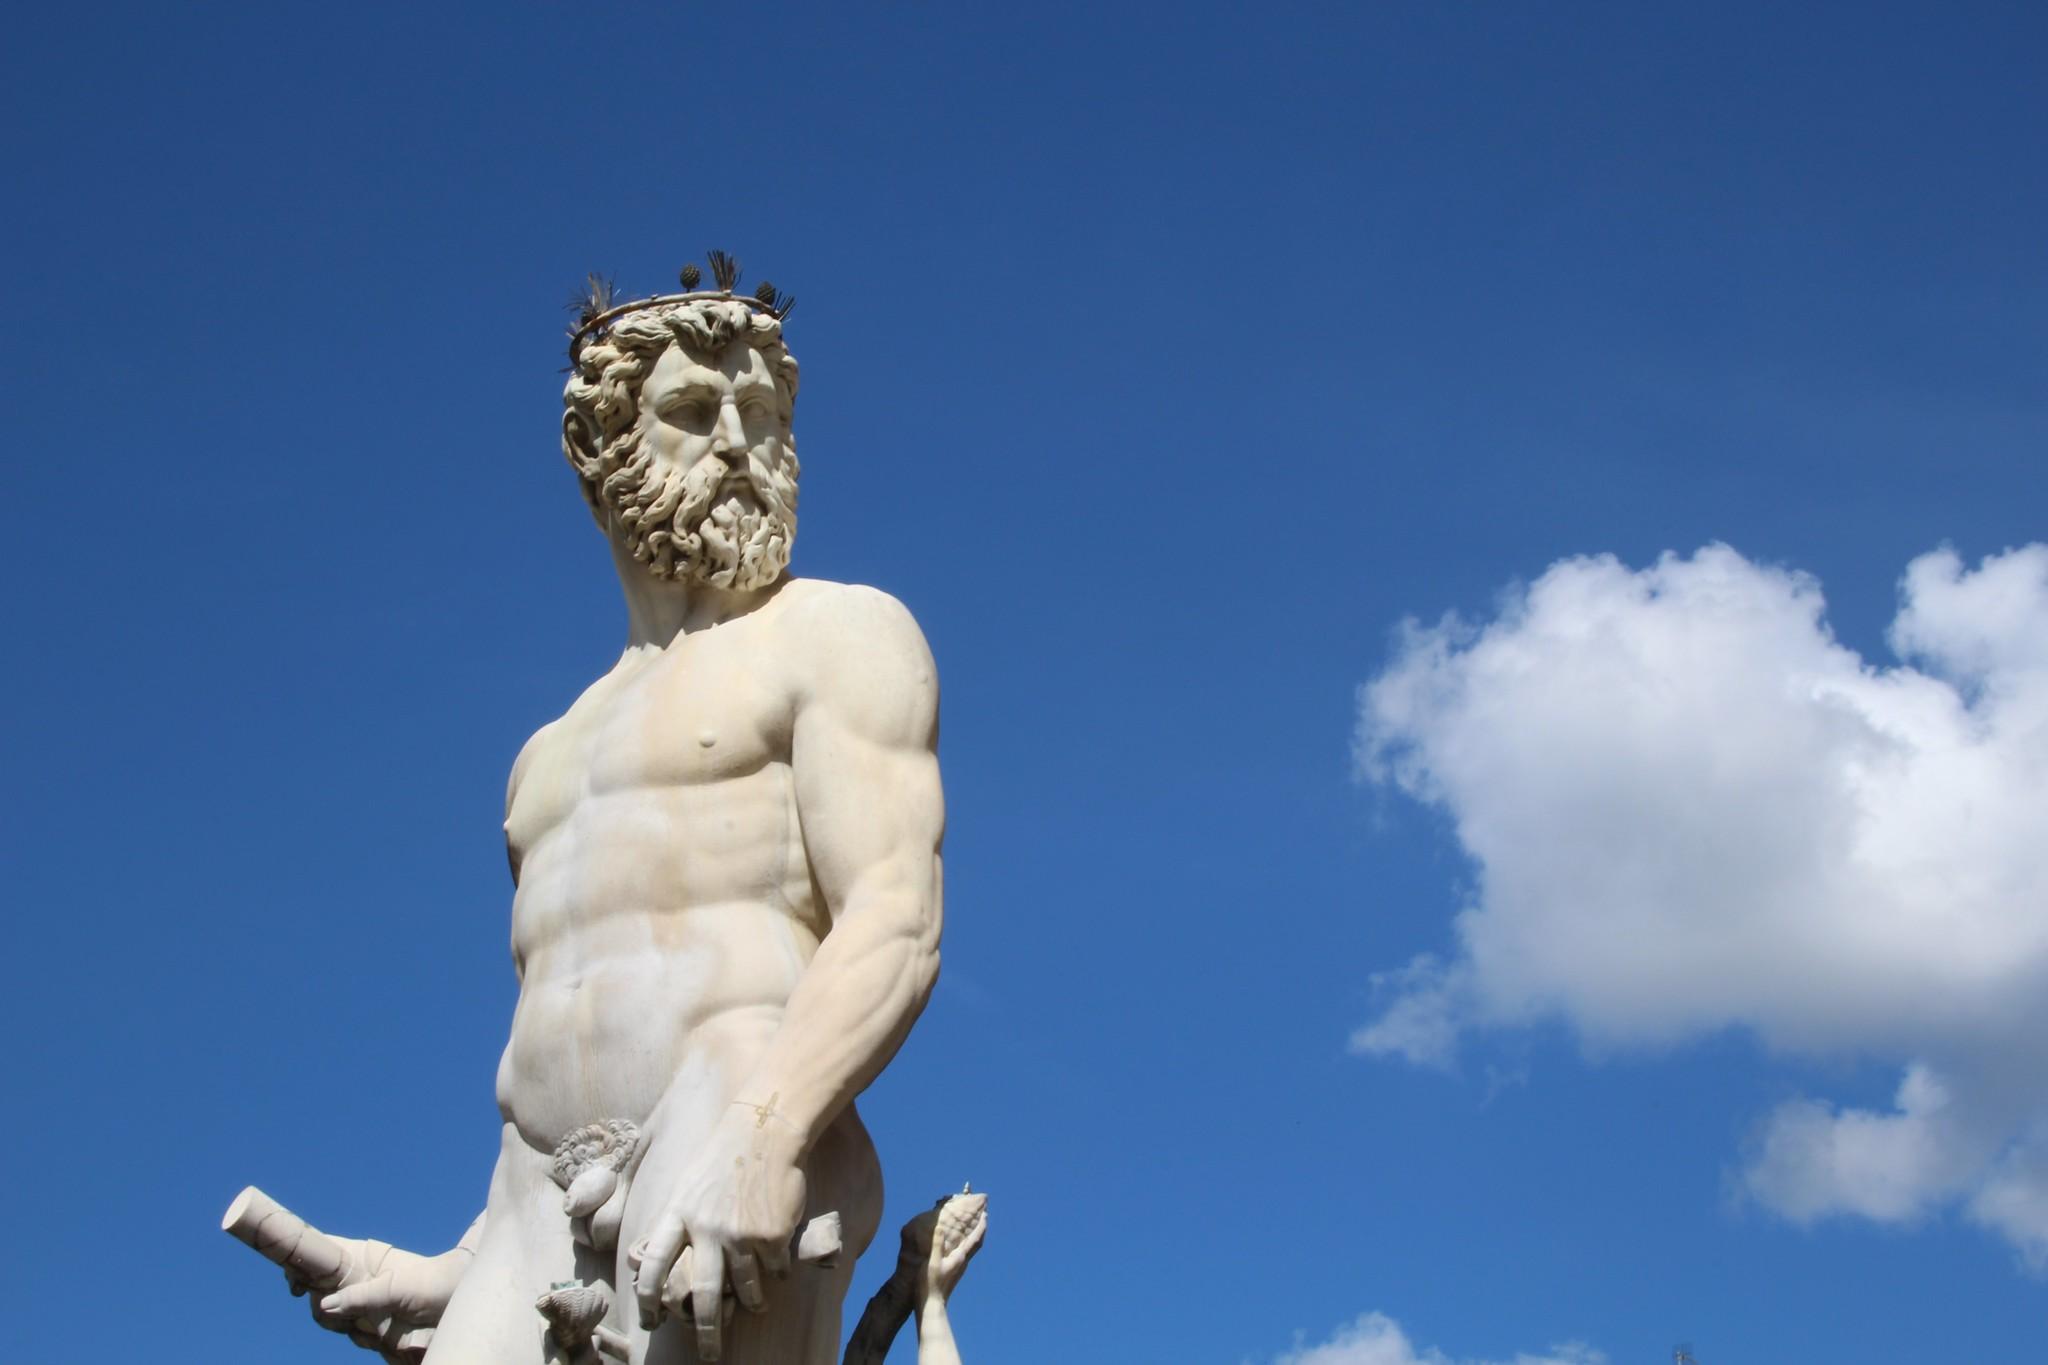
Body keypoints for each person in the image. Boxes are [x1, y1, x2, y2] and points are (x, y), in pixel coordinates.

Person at [287, 278, 945, 1365]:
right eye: (694, 412)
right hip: (534, 1199)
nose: (741, 442)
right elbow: (561, 1032)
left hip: (737, 1114)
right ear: (598, 449)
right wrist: (454, 1273)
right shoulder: (543, 762)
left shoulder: (836, 635)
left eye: (765, 415)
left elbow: (895, 918)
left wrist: (768, 1130)